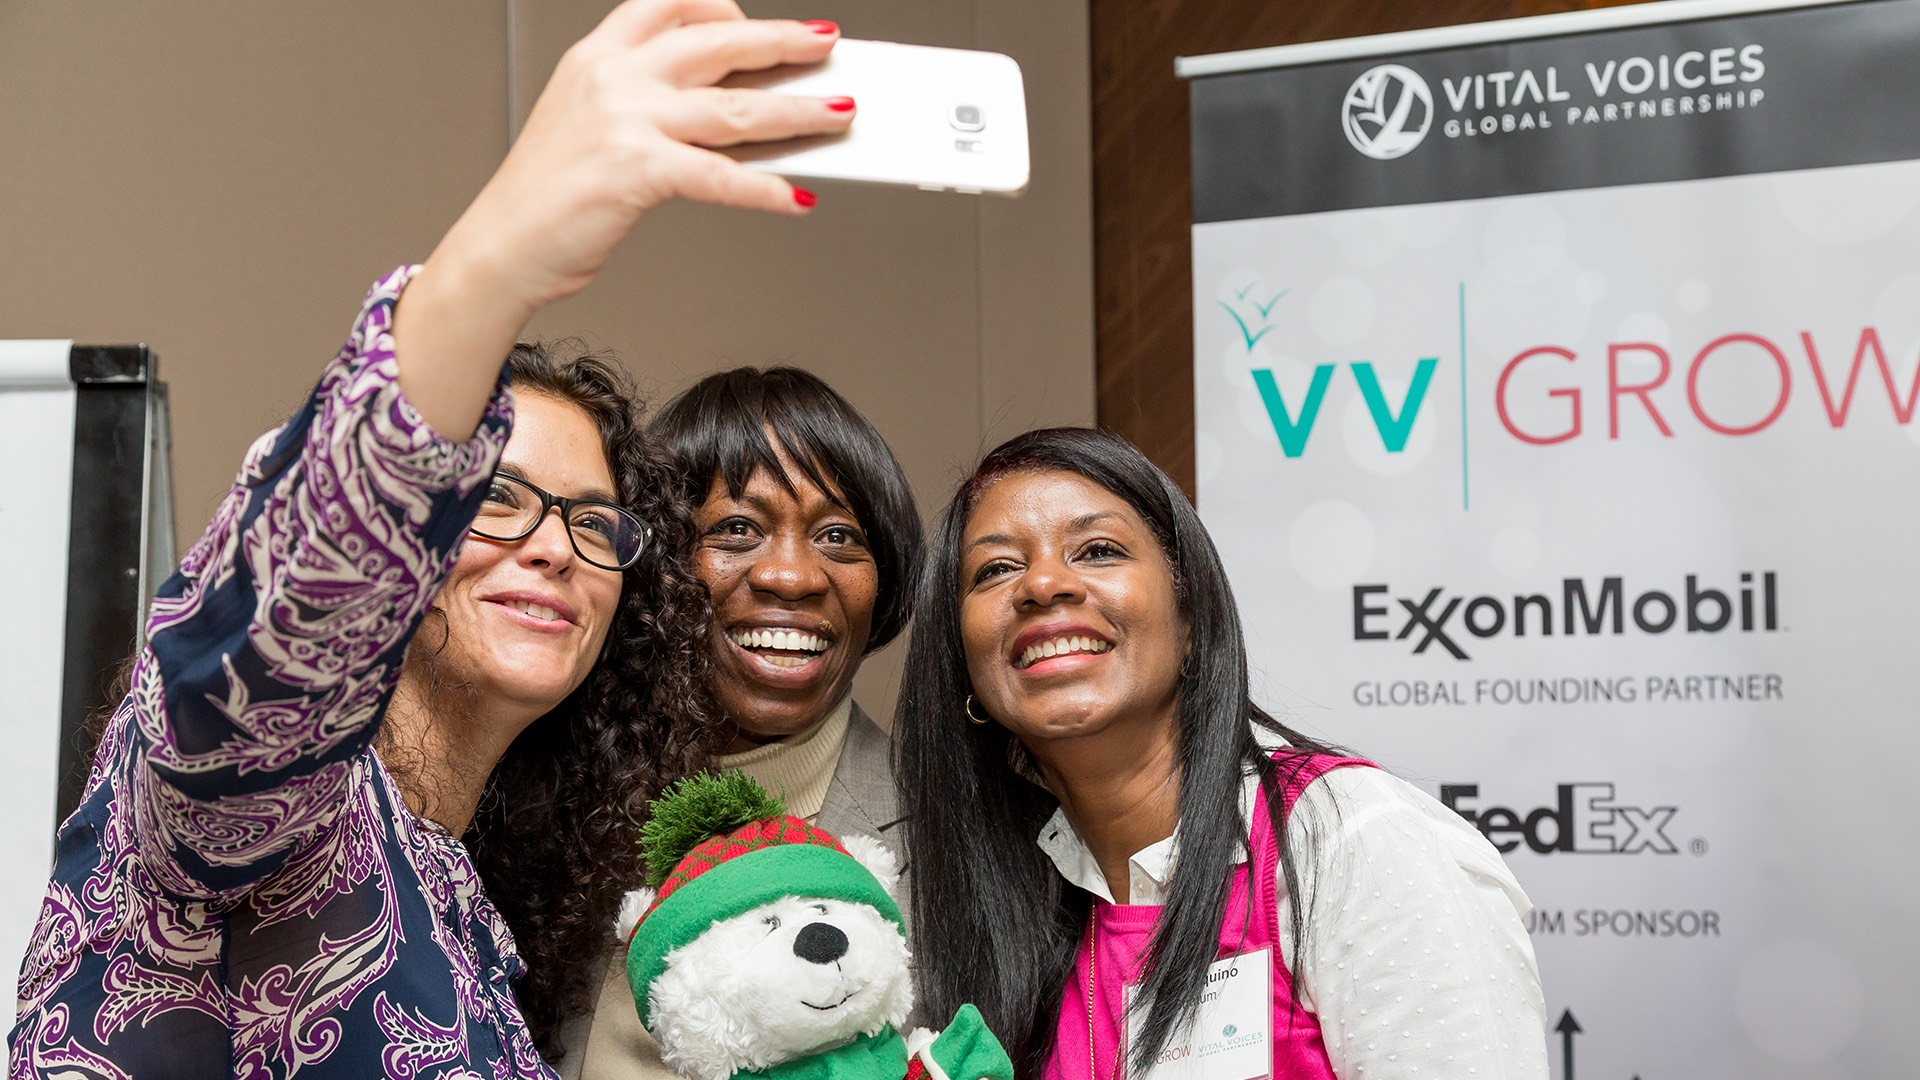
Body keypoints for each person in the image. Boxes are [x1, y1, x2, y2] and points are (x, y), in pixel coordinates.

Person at [10, 4, 858, 1076]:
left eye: (591, 520)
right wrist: (502, 257)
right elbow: (271, 631)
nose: (555, 547)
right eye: (493, 499)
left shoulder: (471, 914)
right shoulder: (268, 797)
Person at [897, 427, 1549, 1080]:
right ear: (963, 663)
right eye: (996, 569)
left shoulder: (1354, 841)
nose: (1043, 583)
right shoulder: (997, 905)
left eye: (1098, 550)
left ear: (1189, 619)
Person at [567, 366, 924, 1080]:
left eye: (838, 535)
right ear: (658, 561)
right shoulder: (548, 815)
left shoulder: (951, 840)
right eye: (737, 529)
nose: (792, 576)